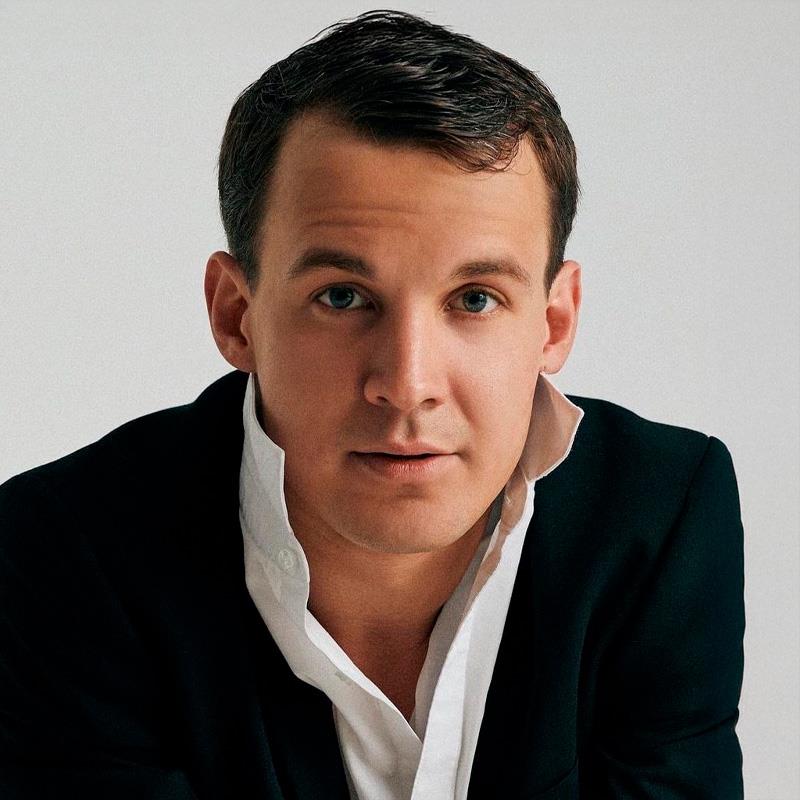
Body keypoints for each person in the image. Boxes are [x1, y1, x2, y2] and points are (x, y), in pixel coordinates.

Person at [0, 9, 745, 800]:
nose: (407, 382)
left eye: (476, 298)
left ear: (554, 322)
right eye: (343, 296)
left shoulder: (660, 519)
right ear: (236, 315)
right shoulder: (61, 552)